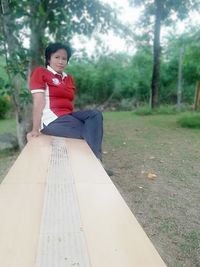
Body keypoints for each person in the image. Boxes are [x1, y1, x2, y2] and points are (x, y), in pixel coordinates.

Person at [27, 42, 103, 161]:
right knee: (89, 130)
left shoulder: (68, 78)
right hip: (51, 120)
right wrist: (35, 129)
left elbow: (68, 103)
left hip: (67, 117)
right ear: (48, 59)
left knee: (95, 115)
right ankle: (96, 163)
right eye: (57, 57)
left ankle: (95, 161)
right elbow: (38, 101)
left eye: (64, 58)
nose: (61, 61)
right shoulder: (40, 72)